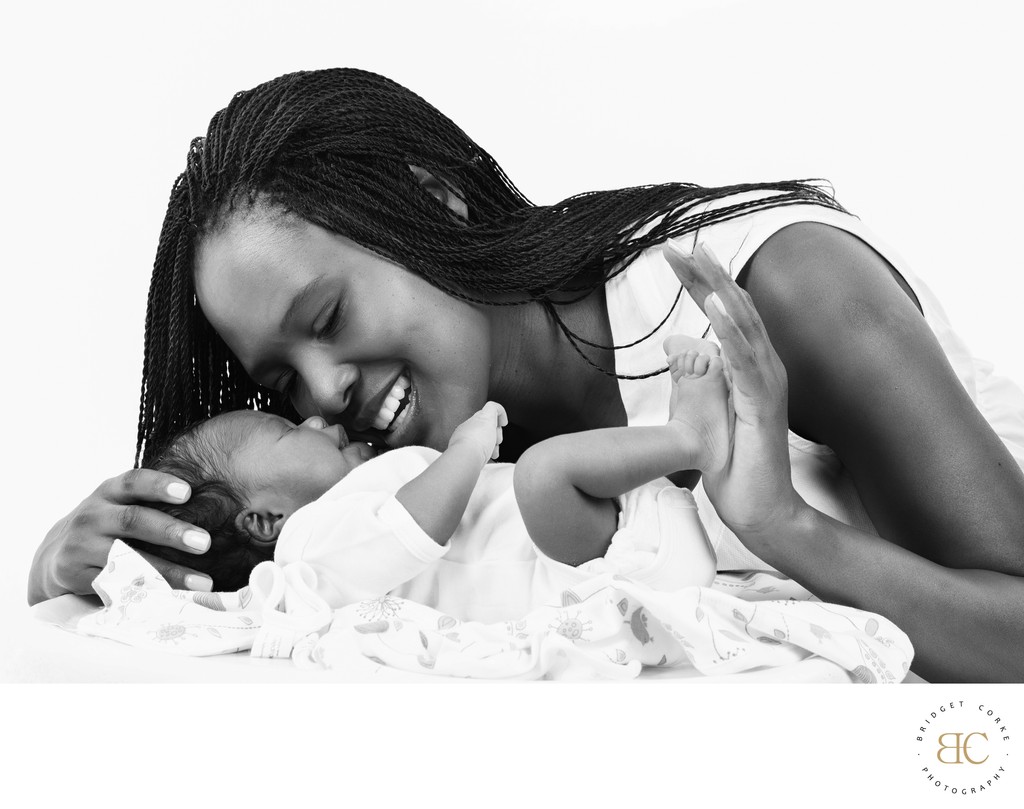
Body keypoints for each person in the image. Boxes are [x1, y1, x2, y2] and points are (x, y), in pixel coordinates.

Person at [28, 68, 1024, 682]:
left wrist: (783, 527)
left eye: (326, 318)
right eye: (283, 383)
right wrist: (63, 559)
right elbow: (267, 573)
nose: (324, 391)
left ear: (436, 200)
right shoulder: (426, 482)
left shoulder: (781, 291)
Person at [135, 341, 726, 621]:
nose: (314, 416)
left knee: (553, 476)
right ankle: (690, 437)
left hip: (612, 541)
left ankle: (686, 456)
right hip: (594, 570)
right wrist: (466, 451)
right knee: (544, 472)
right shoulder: (309, 546)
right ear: (266, 522)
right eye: (287, 433)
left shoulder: (338, 516)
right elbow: (409, 531)